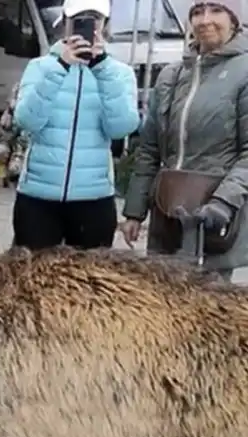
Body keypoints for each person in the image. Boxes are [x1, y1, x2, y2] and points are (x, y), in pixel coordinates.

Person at [121, 0, 248, 281]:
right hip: (167, 211)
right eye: (197, 12)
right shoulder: (171, 75)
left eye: (216, 10)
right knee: (163, 301)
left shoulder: (244, 72)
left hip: (214, 214)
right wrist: (134, 212)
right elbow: (149, 150)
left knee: (209, 309)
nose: (205, 20)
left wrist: (223, 203)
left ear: (234, 19)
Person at [12, 0, 140, 250]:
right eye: (79, 19)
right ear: (65, 23)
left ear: (104, 25)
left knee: (91, 281)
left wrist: (102, 69)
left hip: (94, 197)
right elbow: (27, 121)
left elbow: (122, 127)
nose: (87, 26)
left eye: (95, 19)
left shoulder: (119, 73)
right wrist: (59, 68)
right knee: (32, 278)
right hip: (38, 195)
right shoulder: (40, 67)